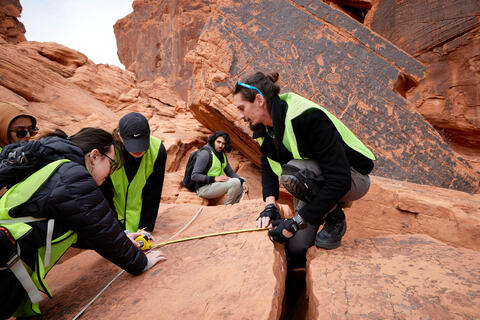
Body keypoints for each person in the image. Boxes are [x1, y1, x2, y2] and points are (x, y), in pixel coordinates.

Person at [0, 127, 166, 319]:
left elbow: (81, 227)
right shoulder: (73, 176)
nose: (110, 174)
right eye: (111, 165)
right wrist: (141, 262)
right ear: (95, 156)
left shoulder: (57, 167)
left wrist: (123, 237)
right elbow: (101, 230)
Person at [233, 72, 375, 268]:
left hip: (352, 177)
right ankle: (321, 214)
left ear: (258, 100)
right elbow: (267, 165)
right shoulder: (262, 129)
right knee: (295, 249)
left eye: (242, 108)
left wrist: (296, 221)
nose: (240, 115)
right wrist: (270, 205)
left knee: (291, 175)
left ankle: (335, 218)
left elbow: (339, 179)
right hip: (310, 179)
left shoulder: (306, 117)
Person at [101, 112, 167, 233]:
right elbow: (105, 195)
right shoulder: (109, 152)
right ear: (121, 137)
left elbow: (153, 194)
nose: (139, 150)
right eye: (133, 144)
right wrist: (118, 231)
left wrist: (145, 229)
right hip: (113, 223)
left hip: (138, 224)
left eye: (142, 143)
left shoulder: (157, 151)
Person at [191, 131, 249, 205]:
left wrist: (242, 181)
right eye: (218, 142)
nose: (220, 145)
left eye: (223, 143)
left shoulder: (222, 155)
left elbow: (230, 172)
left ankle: (234, 207)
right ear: (213, 141)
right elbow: (194, 176)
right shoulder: (205, 154)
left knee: (240, 181)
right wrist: (214, 178)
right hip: (203, 188)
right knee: (235, 182)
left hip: (214, 185)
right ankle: (227, 207)